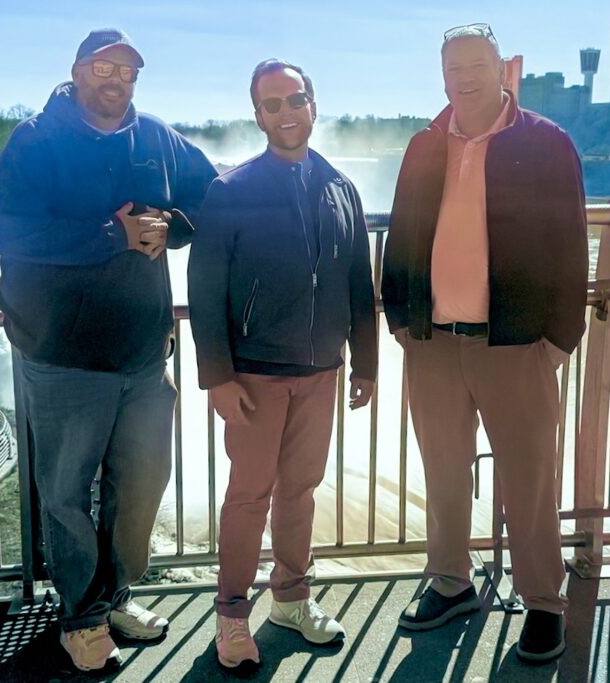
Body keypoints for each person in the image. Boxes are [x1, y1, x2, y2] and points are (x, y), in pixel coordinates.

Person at [0, 28, 217, 673]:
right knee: (66, 496)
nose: (116, 79)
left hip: (144, 354)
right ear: (78, 71)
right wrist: (111, 235)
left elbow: (207, 193)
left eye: (127, 71)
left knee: (140, 486)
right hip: (62, 355)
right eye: (103, 67)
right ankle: (81, 618)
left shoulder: (157, 138)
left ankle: (116, 597)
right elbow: (11, 232)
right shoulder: (36, 140)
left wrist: (175, 228)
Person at [381, 23, 588, 663]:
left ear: (501, 67)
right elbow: (402, 232)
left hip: (517, 346)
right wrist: (397, 315)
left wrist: (558, 339)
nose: (464, 77)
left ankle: (543, 604)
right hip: (434, 343)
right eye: (453, 67)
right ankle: (451, 582)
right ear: (441, 75)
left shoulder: (546, 143)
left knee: (529, 481)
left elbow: (570, 246)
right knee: (442, 473)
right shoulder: (423, 144)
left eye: (476, 64)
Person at [188, 59, 378, 669]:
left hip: (322, 371)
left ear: (313, 105)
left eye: (295, 100)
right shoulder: (232, 191)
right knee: (249, 495)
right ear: (258, 115)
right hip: (255, 376)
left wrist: (366, 365)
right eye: (272, 104)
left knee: (300, 490)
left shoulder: (340, 188)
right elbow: (205, 289)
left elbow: (356, 283)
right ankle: (232, 617)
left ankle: (292, 598)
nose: (286, 113)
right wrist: (216, 377)